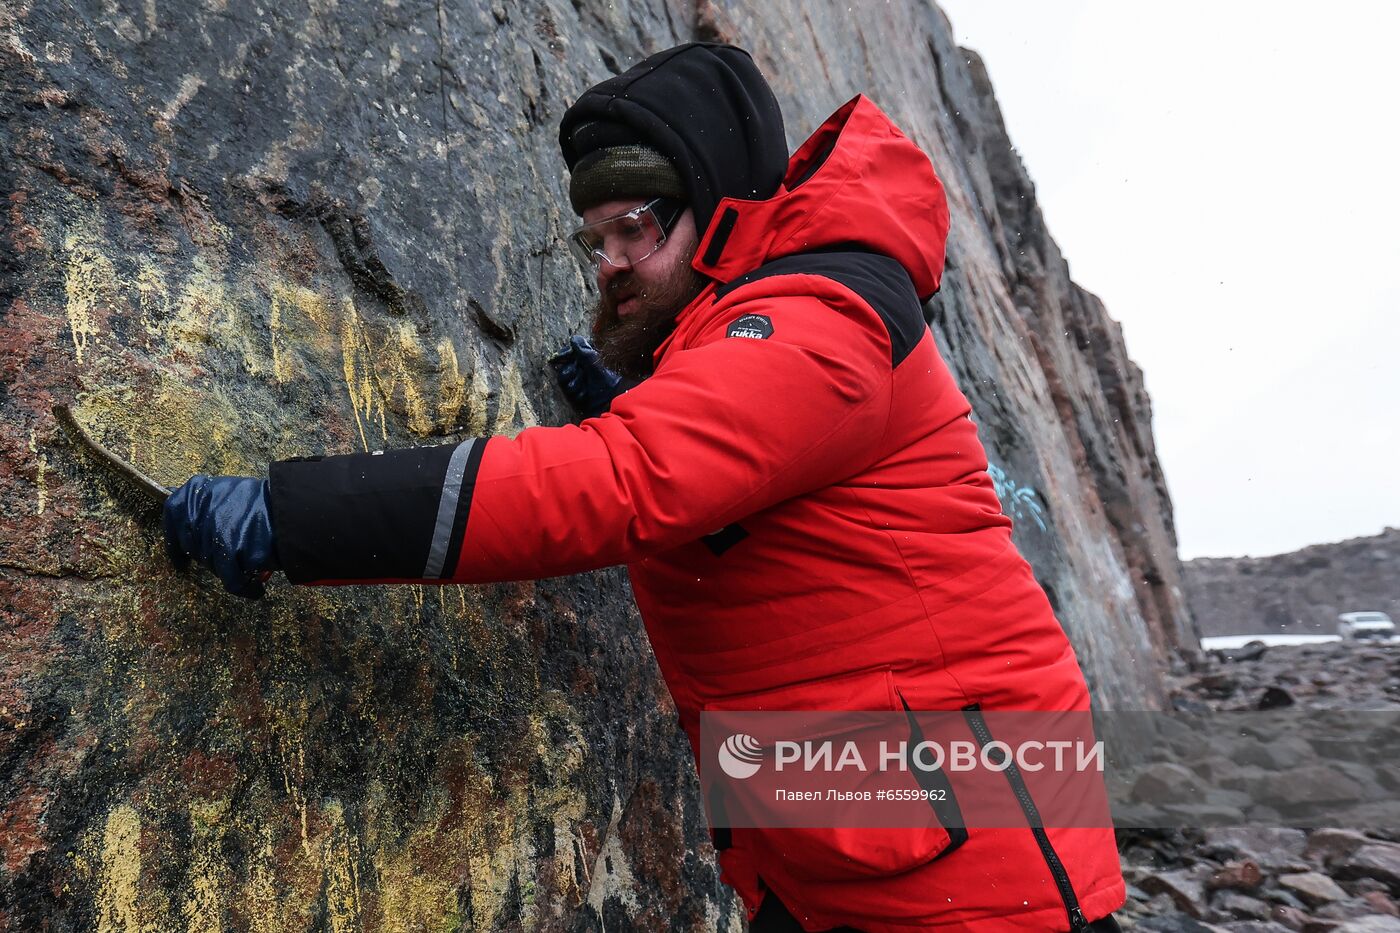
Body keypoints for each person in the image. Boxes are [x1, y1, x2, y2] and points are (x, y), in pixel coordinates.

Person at [163, 42, 1126, 932]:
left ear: (723, 208)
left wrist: (293, 519)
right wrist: (647, 389)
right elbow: (737, 493)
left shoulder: (825, 322)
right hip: (859, 830)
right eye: (597, 237)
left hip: (978, 861)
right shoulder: (750, 323)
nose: (611, 262)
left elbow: (626, 480)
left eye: (635, 228)